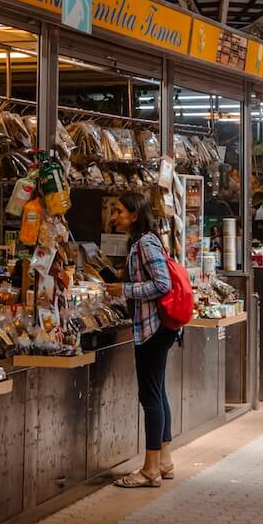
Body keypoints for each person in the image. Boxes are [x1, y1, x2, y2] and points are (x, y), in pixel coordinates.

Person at [106, 192, 177, 488]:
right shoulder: (143, 241)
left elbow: (163, 284)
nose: (114, 217)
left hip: (153, 329)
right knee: (158, 392)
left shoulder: (145, 243)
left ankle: (149, 470)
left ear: (135, 215)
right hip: (158, 328)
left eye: (119, 211)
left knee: (150, 398)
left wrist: (124, 290)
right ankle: (165, 460)